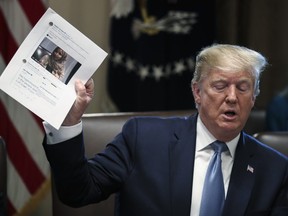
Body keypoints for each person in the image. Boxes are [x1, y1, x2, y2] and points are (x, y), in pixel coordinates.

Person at [42, 44, 288, 216]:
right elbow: (77, 191)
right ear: (197, 92)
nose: (232, 97)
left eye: (243, 88)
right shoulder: (144, 138)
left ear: (254, 97)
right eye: (221, 86)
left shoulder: (275, 169)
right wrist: (69, 121)